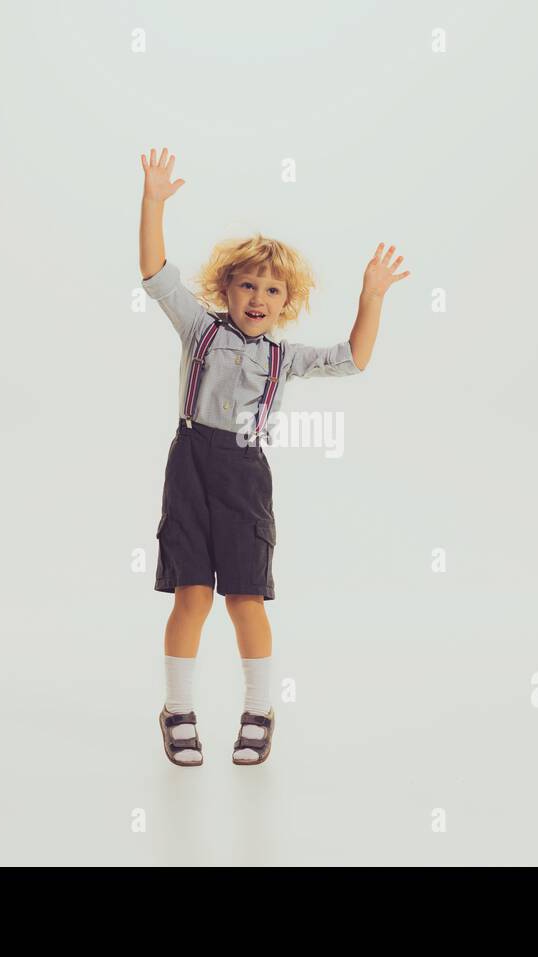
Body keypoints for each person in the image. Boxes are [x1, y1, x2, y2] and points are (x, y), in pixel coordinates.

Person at [138, 146, 409, 766]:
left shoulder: (285, 358)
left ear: (286, 302)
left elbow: (353, 358)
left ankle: (258, 710)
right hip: (190, 466)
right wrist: (153, 202)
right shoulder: (199, 329)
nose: (258, 296)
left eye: (272, 289)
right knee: (191, 595)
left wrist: (373, 296)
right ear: (226, 290)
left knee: (245, 599)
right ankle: (178, 708)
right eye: (247, 285)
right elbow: (156, 274)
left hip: (243, 474)